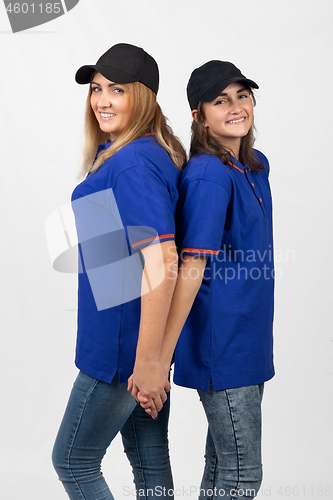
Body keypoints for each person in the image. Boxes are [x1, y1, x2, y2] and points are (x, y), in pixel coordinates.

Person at [52, 43, 186, 500]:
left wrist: (147, 363)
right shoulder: (136, 152)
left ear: (143, 97)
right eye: (96, 89)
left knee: (73, 460)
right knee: (150, 463)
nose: (102, 100)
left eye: (116, 90)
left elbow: (163, 260)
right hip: (134, 340)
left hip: (121, 348)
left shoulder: (131, 164)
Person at [141, 60, 275, 499]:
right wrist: (160, 359)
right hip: (223, 346)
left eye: (242, 95)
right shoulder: (208, 174)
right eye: (221, 101)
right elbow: (189, 268)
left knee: (222, 468)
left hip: (250, 341)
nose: (236, 107)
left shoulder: (254, 167)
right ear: (198, 115)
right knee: (242, 476)